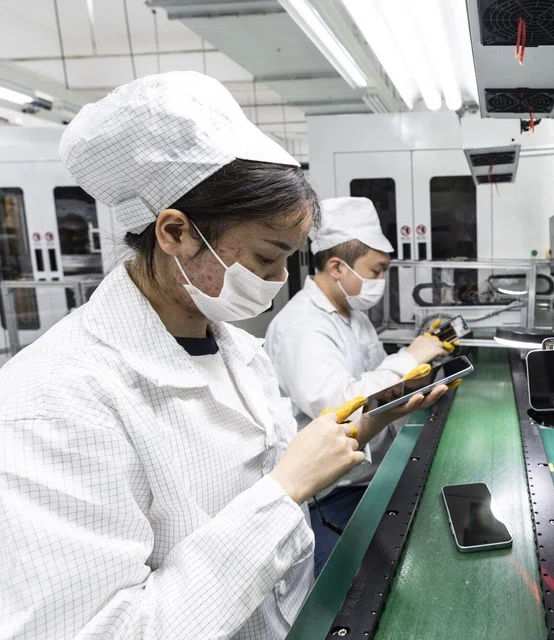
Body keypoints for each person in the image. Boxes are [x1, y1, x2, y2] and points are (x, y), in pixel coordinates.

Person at [0, 72, 445, 639]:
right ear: (175, 232)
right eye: (265, 258)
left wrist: (361, 426)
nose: (278, 281)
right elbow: (105, 629)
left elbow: (278, 481)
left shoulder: (236, 352)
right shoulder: (52, 403)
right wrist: (283, 491)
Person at [265, 197, 448, 575]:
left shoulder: (352, 314)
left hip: (369, 474)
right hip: (331, 496)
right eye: (376, 271)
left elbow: (378, 379)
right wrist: (410, 357)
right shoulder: (302, 326)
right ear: (337, 267)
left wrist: (424, 368)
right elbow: (339, 407)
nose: (380, 281)